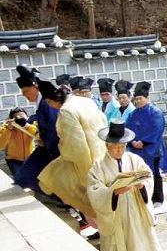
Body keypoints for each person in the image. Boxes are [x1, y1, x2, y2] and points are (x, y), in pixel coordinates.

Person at [87, 119, 162, 251]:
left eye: (122, 146)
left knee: (137, 242)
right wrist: (112, 193)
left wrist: (142, 186)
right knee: (117, 244)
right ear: (107, 145)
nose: (120, 150)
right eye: (115, 147)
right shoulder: (98, 165)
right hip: (115, 213)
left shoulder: (134, 159)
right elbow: (94, 189)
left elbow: (148, 176)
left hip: (135, 208)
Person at [37, 82, 107, 234]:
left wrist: (83, 177)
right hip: (103, 155)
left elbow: (75, 148)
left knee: (51, 179)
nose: (50, 106)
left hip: (86, 161)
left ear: (54, 99)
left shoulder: (66, 111)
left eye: (49, 102)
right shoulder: (86, 101)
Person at [13, 66, 60, 197]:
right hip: (46, 146)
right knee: (23, 177)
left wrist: (46, 142)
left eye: (26, 91)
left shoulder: (47, 102)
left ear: (35, 87)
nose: (25, 95)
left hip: (53, 149)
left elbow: (54, 128)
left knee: (26, 177)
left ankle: (63, 202)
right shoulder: (41, 103)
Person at [125, 82, 167, 207]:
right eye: (137, 99)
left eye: (141, 99)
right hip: (136, 148)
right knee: (139, 174)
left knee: (155, 173)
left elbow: (157, 129)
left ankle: (158, 198)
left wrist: (143, 142)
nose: (138, 101)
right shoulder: (133, 114)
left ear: (147, 98)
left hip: (152, 148)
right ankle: (142, 197)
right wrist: (132, 141)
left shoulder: (155, 112)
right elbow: (128, 128)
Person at [0, 108, 38, 176]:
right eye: (18, 118)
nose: (21, 119)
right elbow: (0, 145)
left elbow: (40, 136)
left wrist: (27, 126)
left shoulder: (32, 124)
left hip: (30, 158)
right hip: (13, 160)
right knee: (20, 180)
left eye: (23, 117)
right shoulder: (6, 126)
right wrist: (9, 129)